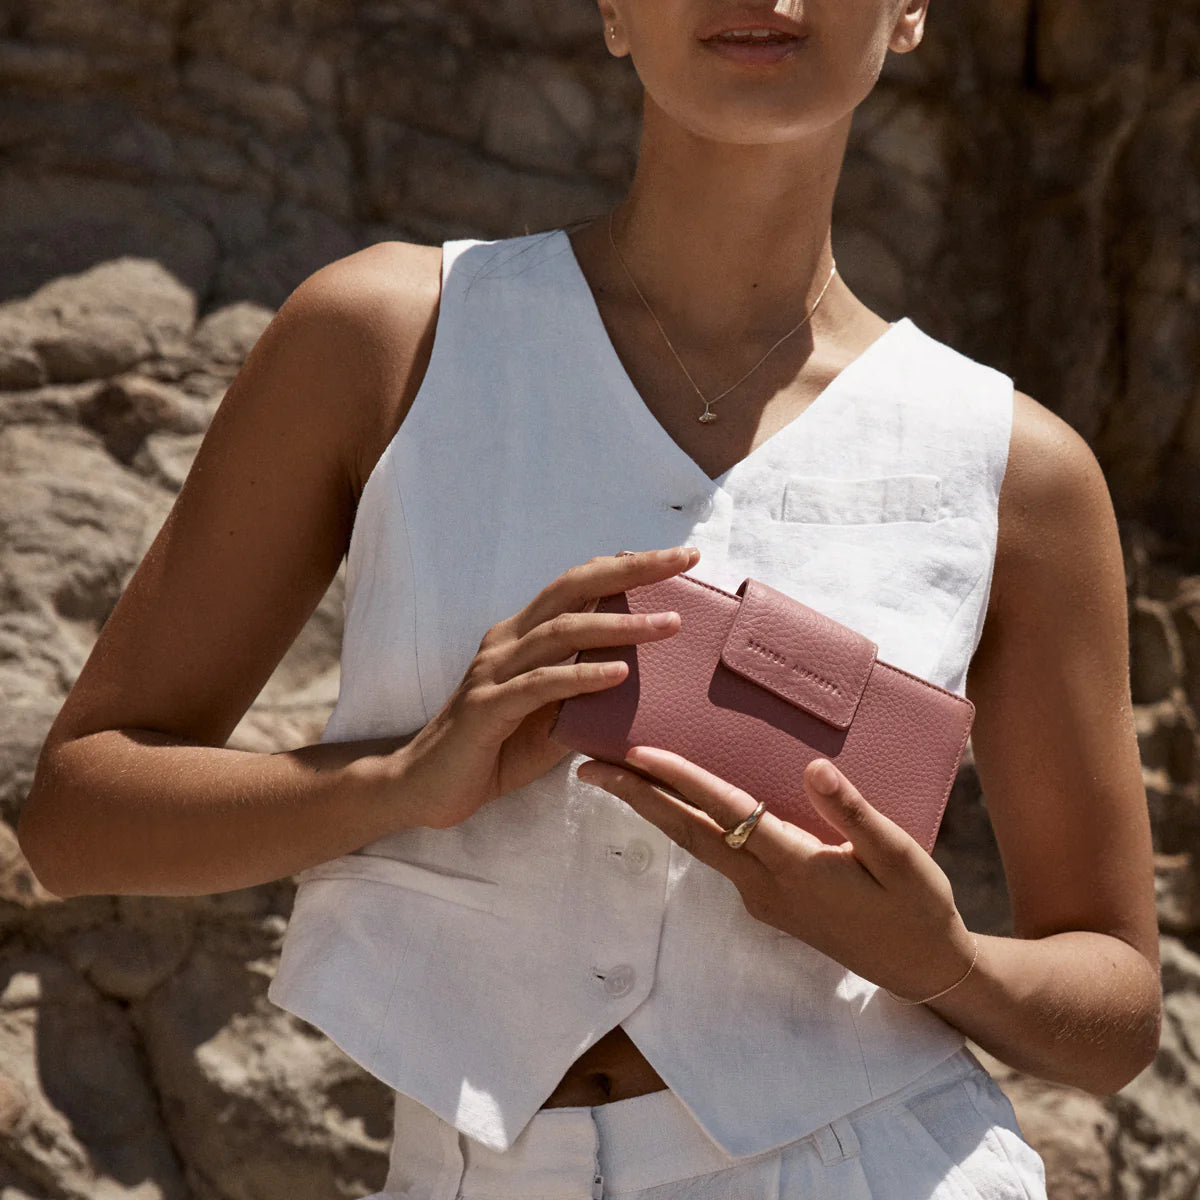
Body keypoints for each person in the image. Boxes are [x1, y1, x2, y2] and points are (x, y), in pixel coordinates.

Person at [19, 0, 1162, 1196]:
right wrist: (393, 782)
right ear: (614, 9)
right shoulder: (389, 337)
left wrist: (939, 962)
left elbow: (1115, 1010)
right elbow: (78, 816)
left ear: (910, 10)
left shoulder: (1015, 469)